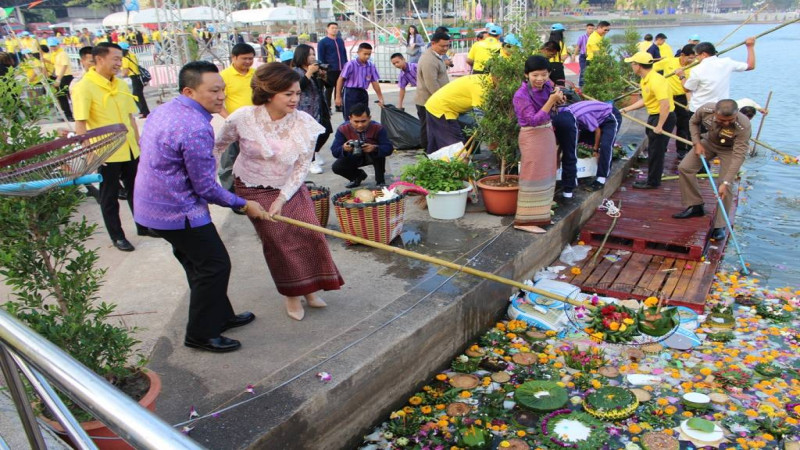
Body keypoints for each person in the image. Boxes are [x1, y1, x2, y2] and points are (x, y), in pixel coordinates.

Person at [134, 61, 267, 353]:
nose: (220, 97)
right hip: (176, 210)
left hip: (151, 205)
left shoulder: (165, 109)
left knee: (199, 264)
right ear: (189, 91)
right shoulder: (195, 128)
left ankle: (219, 316)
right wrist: (244, 204)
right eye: (213, 91)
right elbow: (206, 188)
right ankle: (200, 334)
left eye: (223, 90)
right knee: (214, 266)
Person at [214, 62, 345, 321]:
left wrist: (283, 198)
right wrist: (212, 182)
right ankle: (292, 295)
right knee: (280, 243)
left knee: (310, 233)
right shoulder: (242, 118)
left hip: (290, 187)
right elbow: (216, 146)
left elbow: (301, 167)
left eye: (297, 93)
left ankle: (310, 290)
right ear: (269, 93)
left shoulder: (304, 122)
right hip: (252, 188)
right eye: (288, 94)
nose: (295, 99)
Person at [72, 42, 154, 252]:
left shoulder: (120, 84)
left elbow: (130, 117)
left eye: (120, 59)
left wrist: (139, 143)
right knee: (109, 198)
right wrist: (92, 153)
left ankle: (143, 225)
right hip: (106, 152)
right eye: (116, 59)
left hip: (129, 149)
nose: (120, 63)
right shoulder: (84, 86)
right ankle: (117, 236)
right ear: (100, 59)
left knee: (137, 190)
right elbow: (81, 123)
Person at [672, 100, 751, 241]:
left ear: (736, 114)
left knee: (725, 185)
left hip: (730, 150)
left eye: (730, 120)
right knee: (685, 168)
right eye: (722, 120)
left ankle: (720, 224)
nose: (726, 123)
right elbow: (693, 122)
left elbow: (739, 156)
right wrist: (696, 142)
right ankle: (695, 206)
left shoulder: (743, 125)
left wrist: (726, 182)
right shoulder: (705, 109)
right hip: (708, 143)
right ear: (715, 113)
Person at [512, 55, 564, 231]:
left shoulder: (548, 85)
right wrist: (551, 101)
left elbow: (554, 108)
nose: (540, 79)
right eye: (535, 75)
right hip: (531, 136)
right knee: (532, 176)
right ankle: (524, 221)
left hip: (547, 133)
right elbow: (533, 120)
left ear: (549, 73)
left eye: (544, 74)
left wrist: (559, 99)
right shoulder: (521, 95)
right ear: (527, 74)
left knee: (547, 174)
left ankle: (540, 217)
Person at [620, 51, 676, 189]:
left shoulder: (656, 80)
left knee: (656, 151)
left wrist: (660, 126)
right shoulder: (645, 79)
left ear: (638, 66)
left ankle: (653, 182)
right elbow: (646, 100)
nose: (632, 67)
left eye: (633, 64)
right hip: (654, 116)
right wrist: (627, 109)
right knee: (653, 149)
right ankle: (652, 178)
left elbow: (665, 104)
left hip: (663, 117)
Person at [217, 43, 256, 193]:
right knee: (229, 161)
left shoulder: (256, 74)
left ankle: (252, 191)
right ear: (233, 58)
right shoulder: (224, 76)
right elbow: (218, 103)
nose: (248, 62)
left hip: (255, 125)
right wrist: (230, 119)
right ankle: (231, 194)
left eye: (251, 59)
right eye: (244, 59)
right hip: (234, 126)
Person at [679, 39, 756, 113]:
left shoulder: (697, 69)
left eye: (697, 56)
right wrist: (750, 47)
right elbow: (750, 66)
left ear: (704, 54)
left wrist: (682, 76)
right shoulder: (727, 62)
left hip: (700, 110)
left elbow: (687, 89)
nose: (696, 59)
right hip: (720, 109)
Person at [330, 103, 394, 188]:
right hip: (353, 156)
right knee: (337, 167)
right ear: (350, 119)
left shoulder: (378, 128)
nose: (360, 125)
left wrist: (374, 148)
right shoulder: (343, 129)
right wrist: (344, 148)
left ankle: (380, 180)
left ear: (369, 118)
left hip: (372, 156)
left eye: (363, 121)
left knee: (378, 152)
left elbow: (389, 148)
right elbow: (334, 150)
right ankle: (357, 176)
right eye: (356, 121)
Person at [565, 100, 622, 191]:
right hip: (595, 118)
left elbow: (597, 131)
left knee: (605, 145)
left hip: (609, 117)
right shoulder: (565, 113)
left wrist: (595, 149)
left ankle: (601, 179)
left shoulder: (582, 116)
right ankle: (586, 171)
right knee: (583, 144)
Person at [292, 44, 332, 174]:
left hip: (321, 105)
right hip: (306, 108)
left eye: (313, 54)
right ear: (301, 55)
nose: (312, 57)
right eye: (309, 54)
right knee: (309, 136)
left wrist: (322, 75)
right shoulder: (295, 71)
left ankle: (315, 152)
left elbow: (328, 85)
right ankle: (311, 161)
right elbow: (299, 87)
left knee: (326, 131)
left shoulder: (315, 69)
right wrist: (309, 73)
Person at [424, 74, 488, 154]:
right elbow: (480, 115)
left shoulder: (483, 79)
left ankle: (436, 162)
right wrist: (490, 136)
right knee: (454, 144)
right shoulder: (481, 86)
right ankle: (458, 164)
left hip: (438, 105)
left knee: (438, 142)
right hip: (442, 109)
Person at [656, 44, 695, 159]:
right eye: (690, 57)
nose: (693, 60)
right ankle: (661, 148)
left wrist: (689, 102)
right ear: (683, 55)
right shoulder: (668, 61)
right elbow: (651, 70)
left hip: (683, 97)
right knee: (665, 123)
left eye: (694, 57)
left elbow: (689, 88)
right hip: (667, 98)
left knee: (683, 125)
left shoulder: (694, 67)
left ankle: (682, 150)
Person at [415, 31, 450, 153]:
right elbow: (432, 84)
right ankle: (428, 154)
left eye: (447, 46)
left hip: (434, 100)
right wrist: (443, 101)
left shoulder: (436, 56)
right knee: (428, 131)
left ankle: (433, 152)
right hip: (428, 101)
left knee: (434, 130)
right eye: (442, 46)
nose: (445, 48)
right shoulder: (429, 60)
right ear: (433, 43)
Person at [335, 42, 384, 120]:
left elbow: (374, 82)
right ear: (358, 53)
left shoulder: (371, 66)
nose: (367, 56)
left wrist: (380, 97)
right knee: (350, 116)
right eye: (365, 54)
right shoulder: (350, 64)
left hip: (363, 92)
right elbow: (340, 80)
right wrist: (338, 96)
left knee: (363, 116)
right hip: (350, 93)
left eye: (369, 54)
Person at [317, 22, 348, 112]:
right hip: (329, 69)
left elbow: (344, 54)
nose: (334, 30)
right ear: (327, 29)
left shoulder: (340, 41)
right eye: (332, 28)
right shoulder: (323, 42)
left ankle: (338, 105)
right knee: (329, 89)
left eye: (336, 28)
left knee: (339, 88)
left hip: (340, 69)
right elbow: (320, 57)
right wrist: (323, 69)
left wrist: (346, 65)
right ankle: (328, 108)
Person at [118, 42, 150, 119]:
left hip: (134, 77)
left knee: (136, 96)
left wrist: (120, 76)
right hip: (139, 77)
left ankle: (144, 112)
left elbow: (125, 72)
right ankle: (145, 111)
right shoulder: (132, 55)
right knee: (139, 95)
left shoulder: (125, 59)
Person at [46, 37, 74, 121]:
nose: (53, 48)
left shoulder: (62, 54)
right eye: (51, 46)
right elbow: (54, 63)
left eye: (54, 46)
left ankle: (73, 115)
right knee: (61, 98)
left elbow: (64, 66)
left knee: (70, 97)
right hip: (59, 76)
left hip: (65, 77)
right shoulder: (55, 54)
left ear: (58, 45)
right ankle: (67, 115)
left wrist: (58, 79)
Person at [575, 23, 594, 87]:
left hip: (592, 56)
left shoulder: (594, 38)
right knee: (583, 70)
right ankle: (581, 85)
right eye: (589, 28)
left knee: (592, 70)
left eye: (592, 28)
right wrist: (574, 55)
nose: (591, 30)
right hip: (583, 56)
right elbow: (578, 46)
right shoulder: (582, 37)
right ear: (586, 28)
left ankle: (591, 84)